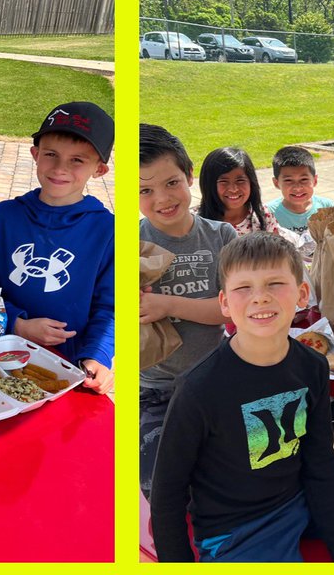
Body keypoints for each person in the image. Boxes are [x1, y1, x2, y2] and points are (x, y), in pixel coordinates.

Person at [150, 231, 334, 562]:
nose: (260, 298)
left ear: (301, 294)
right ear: (225, 302)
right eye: (244, 288)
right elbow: (167, 491)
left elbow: (319, 460)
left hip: (303, 495)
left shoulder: (312, 365)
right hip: (240, 527)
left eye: (274, 284)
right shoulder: (200, 388)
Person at [0, 101, 114, 394]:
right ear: (35, 154)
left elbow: (110, 308)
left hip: (67, 363)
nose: (60, 168)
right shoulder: (4, 216)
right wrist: (17, 323)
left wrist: (98, 356)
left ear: (99, 169)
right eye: (51, 155)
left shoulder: (108, 231)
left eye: (77, 160)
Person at [139, 124, 235, 500]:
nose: (162, 198)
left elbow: (229, 309)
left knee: (241, 469)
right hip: (155, 391)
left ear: (190, 176)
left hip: (217, 382)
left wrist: (167, 304)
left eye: (171, 183)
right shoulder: (128, 244)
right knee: (160, 486)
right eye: (145, 190)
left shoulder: (221, 237)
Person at [197, 146, 286, 235]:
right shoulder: (194, 221)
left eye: (240, 181)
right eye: (223, 181)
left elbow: (275, 247)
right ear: (208, 184)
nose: (233, 189)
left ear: (251, 182)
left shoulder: (264, 217)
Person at [265, 145, 334, 238]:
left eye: (304, 179)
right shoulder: (269, 214)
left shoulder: (328, 208)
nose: (297, 188)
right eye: (288, 180)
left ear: (315, 180)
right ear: (276, 183)